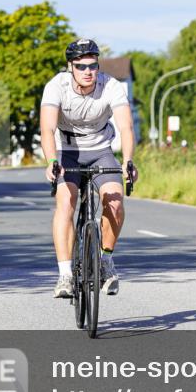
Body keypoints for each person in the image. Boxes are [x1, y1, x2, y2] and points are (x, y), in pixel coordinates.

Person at [40, 38, 137, 299]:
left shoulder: (111, 86)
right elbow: (47, 129)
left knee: (115, 203)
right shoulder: (56, 86)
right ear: (70, 66)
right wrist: (51, 161)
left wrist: (128, 160)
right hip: (66, 152)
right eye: (81, 67)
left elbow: (126, 127)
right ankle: (65, 275)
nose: (88, 72)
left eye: (93, 66)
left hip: (101, 151)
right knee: (66, 202)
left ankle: (105, 260)